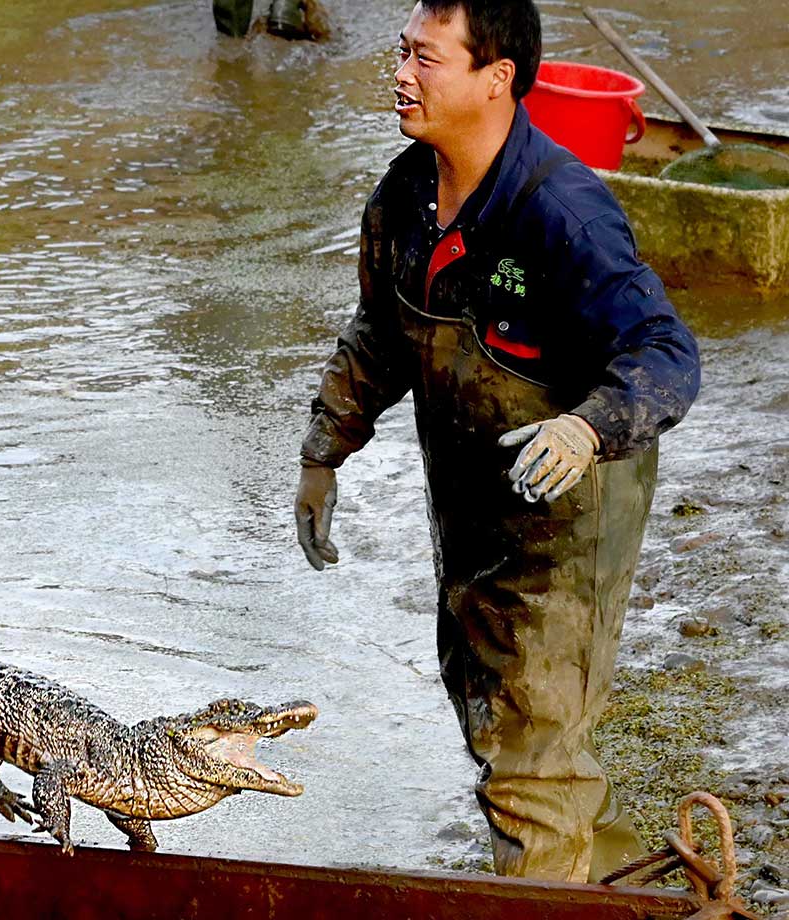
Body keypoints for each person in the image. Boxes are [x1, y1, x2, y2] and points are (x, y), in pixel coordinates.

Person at [292, 0, 699, 883]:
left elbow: (665, 353)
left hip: (567, 523)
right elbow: (380, 332)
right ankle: (630, 895)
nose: (400, 73)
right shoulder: (405, 194)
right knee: (508, 727)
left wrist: (589, 425)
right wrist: (323, 451)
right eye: (401, 52)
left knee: (529, 758)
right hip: (470, 506)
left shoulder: (563, 211)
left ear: (497, 76)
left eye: (425, 58)